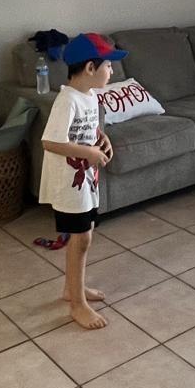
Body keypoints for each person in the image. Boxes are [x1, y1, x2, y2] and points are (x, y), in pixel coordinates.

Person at [39, 32, 126, 329]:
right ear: (90, 68)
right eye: (108, 66)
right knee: (82, 237)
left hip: (86, 181)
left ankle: (72, 289)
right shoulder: (67, 101)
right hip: (69, 183)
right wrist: (88, 152)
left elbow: (88, 129)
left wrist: (103, 139)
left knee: (85, 234)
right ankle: (77, 304)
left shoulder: (89, 96)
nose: (111, 72)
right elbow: (51, 142)